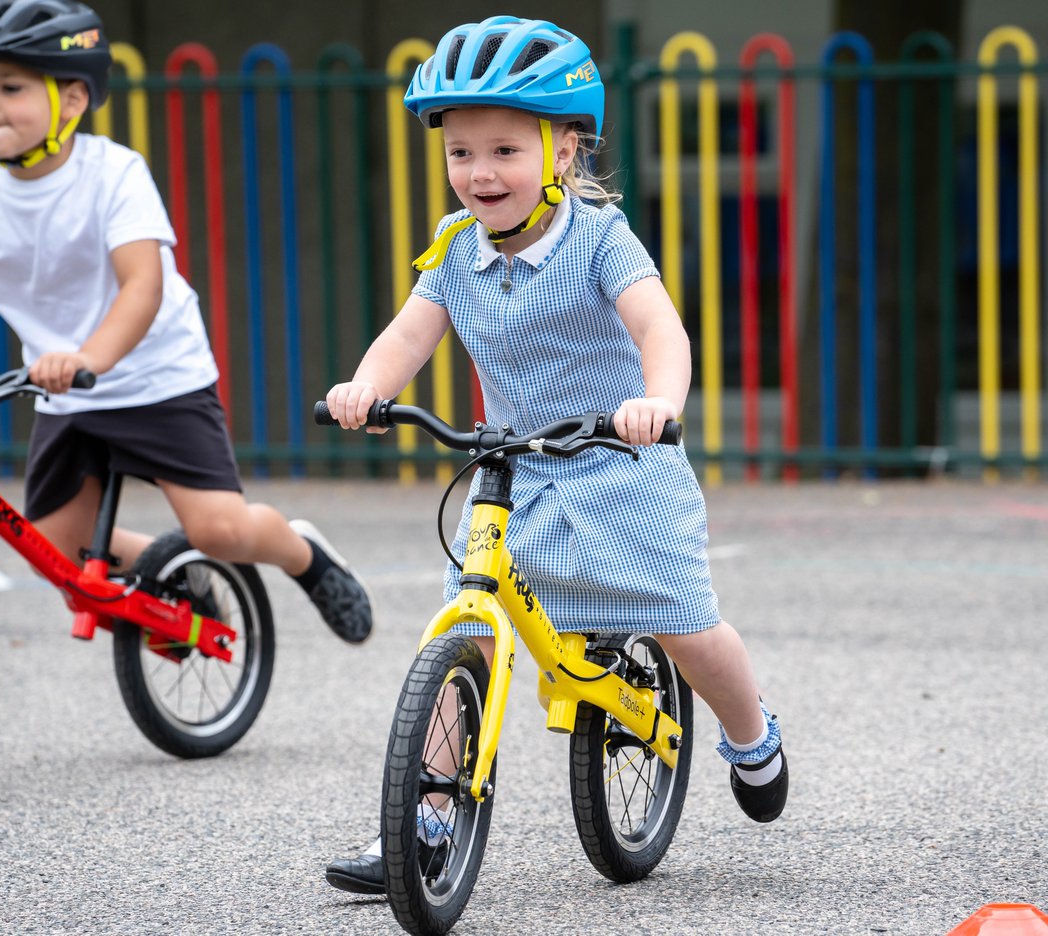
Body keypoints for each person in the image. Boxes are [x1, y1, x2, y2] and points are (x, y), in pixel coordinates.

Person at [322, 15, 786, 894]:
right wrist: (364, 387)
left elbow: (661, 328)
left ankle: (750, 731)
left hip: (623, 461)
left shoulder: (599, 239)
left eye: (504, 149)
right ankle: (421, 823)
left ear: (564, 153)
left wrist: (658, 402)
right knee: (469, 627)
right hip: (517, 467)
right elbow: (408, 336)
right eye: (461, 153)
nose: (480, 173)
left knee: (685, 622)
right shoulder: (455, 250)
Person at [0, 0, 372, 644]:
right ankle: (172, 573)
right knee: (53, 549)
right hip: (65, 390)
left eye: (10, 87)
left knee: (220, 531)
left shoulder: (112, 174)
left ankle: (303, 553)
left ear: (71, 100)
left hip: (157, 377)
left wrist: (90, 356)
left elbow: (142, 287)